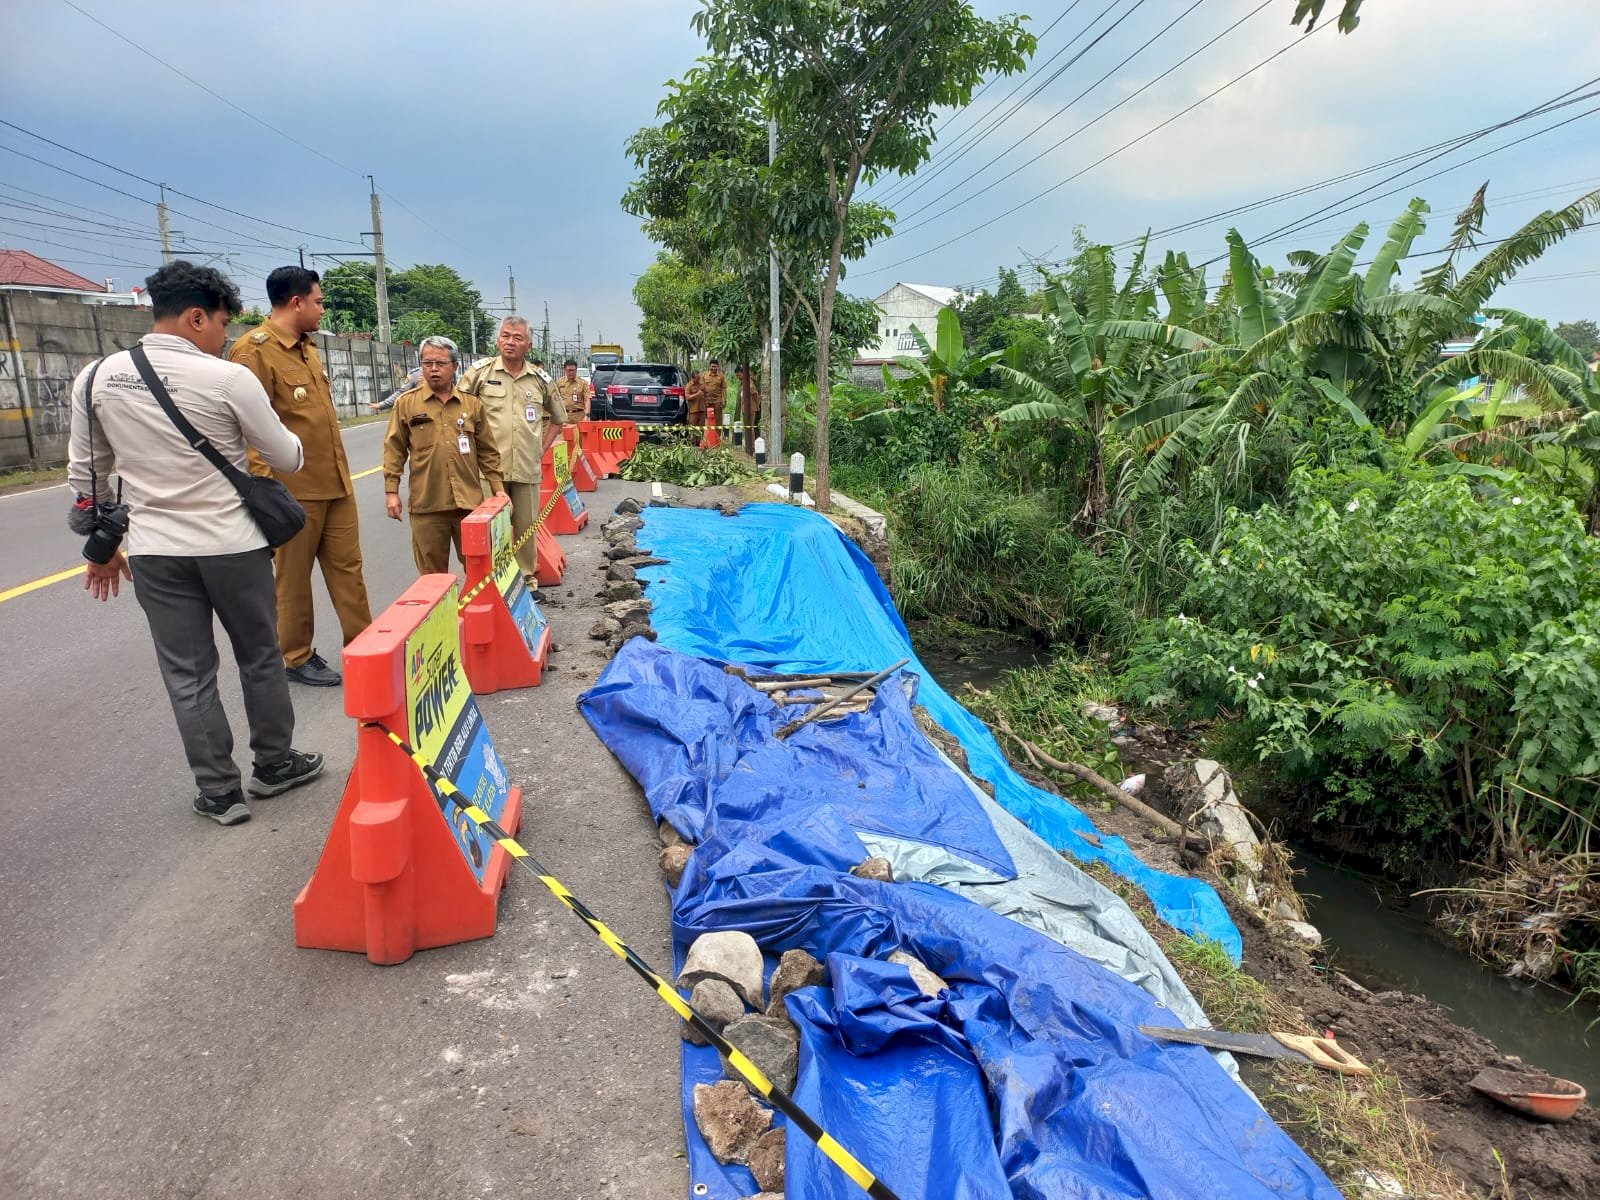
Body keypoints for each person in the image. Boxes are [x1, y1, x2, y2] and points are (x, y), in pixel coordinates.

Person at [67, 260, 324, 826]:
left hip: (155, 550)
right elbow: (285, 457)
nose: (224, 335)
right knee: (258, 654)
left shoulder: (96, 378)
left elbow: (88, 477)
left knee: (187, 672)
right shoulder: (226, 377)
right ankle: (275, 764)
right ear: (195, 316)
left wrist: (104, 549)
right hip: (232, 544)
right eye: (221, 324)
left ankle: (219, 792)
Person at [229, 266, 372, 688]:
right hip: (293, 493)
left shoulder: (308, 348)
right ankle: (296, 656)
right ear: (296, 302)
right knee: (293, 579)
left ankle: (365, 648)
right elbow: (247, 430)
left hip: (335, 484)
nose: (322, 309)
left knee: (350, 572)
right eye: (319, 301)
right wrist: (264, 492)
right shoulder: (253, 352)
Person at [383, 335, 505, 574]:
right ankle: (446, 614)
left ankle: (472, 613)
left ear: (455, 366)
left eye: (440, 363)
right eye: (427, 364)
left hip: (469, 505)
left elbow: (488, 451)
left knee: (480, 571)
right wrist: (391, 492)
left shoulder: (471, 405)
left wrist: (498, 488)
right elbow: (394, 449)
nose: (433, 370)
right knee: (432, 577)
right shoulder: (406, 404)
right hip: (427, 506)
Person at [458, 318, 563, 582]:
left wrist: (540, 449)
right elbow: (457, 412)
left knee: (527, 525)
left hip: (527, 465)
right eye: (505, 336)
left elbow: (558, 419)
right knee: (494, 526)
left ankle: (526, 579)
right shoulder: (480, 373)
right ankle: (495, 581)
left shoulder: (539, 379)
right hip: (489, 469)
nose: (510, 342)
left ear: (528, 344)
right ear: (497, 340)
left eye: (517, 337)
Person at [734, 363, 762, 452]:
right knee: (748, 427)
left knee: (750, 427)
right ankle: (749, 445)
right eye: (737, 376)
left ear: (743, 373)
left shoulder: (749, 382)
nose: (738, 377)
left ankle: (752, 447)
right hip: (745, 408)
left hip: (751, 408)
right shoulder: (743, 383)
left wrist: (757, 405)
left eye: (739, 375)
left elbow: (754, 394)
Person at [553, 357, 592, 423]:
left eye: (573, 370)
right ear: (564, 370)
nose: (571, 372)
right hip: (564, 415)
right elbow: (555, 399)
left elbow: (587, 399)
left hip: (579, 416)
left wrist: (587, 415)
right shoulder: (559, 383)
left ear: (576, 370)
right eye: (569, 370)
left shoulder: (583, 383)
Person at [702, 357, 727, 431]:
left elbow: (724, 389)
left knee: (718, 421)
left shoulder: (721, 376)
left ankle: (717, 440)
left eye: (715, 366)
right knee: (707, 420)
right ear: (709, 367)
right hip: (707, 402)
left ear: (718, 367)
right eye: (712, 366)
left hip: (717, 402)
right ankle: (708, 438)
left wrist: (724, 400)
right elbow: (702, 388)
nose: (713, 368)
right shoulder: (705, 375)